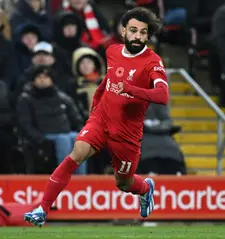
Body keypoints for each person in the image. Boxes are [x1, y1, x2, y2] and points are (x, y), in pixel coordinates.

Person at [24, 7, 168, 227]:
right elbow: (107, 81)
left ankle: (146, 188)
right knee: (76, 153)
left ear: (148, 35)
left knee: (124, 182)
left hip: (128, 132)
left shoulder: (153, 62)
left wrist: (132, 89)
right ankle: (42, 209)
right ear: (124, 32)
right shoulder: (112, 52)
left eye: (142, 32)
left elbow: (162, 95)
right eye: (133, 30)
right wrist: (96, 104)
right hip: (102, 120)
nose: (137, 36)